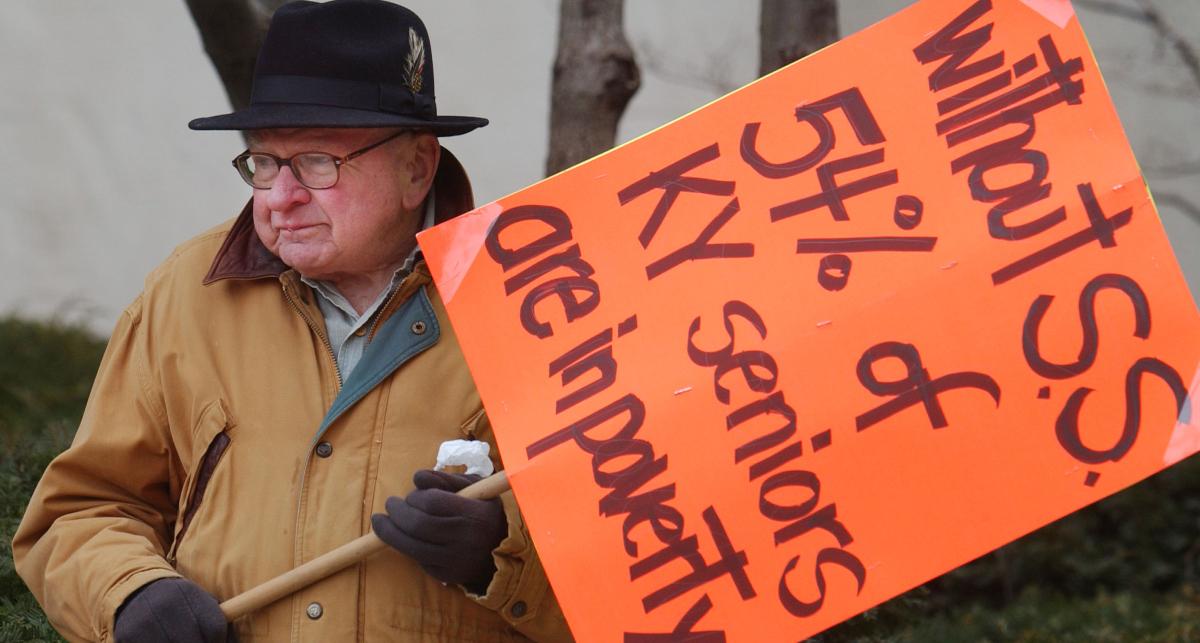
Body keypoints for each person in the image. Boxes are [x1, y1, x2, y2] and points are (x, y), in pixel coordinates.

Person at [12, 1, 572, 641]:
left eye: (316, 162)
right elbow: (80, 513)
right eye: (264, 162)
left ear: (416, 167)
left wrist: (502, 554)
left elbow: (648, 547)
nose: (280, 197)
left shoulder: (536, 299)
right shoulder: (185, 293)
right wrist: (130, 593)